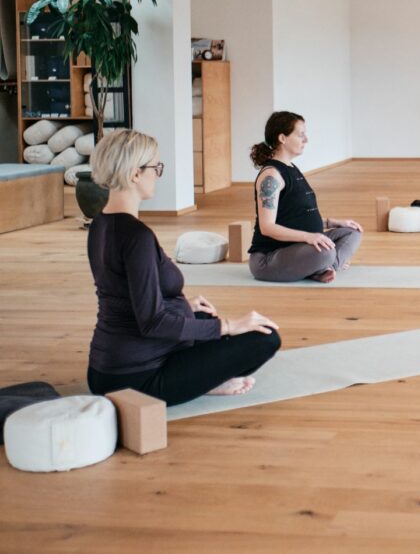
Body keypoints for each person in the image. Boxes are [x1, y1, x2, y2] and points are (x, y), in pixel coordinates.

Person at [85, 130, 281, 406]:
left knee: (201, 319)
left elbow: (121, 295)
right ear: (134, 174)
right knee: (266, 339)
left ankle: (202, 375)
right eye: (155, 167)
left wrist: (184, 306)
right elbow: (153, 322)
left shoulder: (100, 224)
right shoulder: (136, 237)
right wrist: (230, 325)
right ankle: (206, 383)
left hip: (104, 371)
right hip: (136, 380)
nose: (158, 174)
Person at [248, 111, 363, 283]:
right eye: (301, 135)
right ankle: (325, 264)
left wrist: (332, 222)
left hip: (297, 248)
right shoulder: (271, 176)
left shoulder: (291, 168)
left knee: (352, 232)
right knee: (326, 252)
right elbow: (267, 227)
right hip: (268, 259)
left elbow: (296, 219)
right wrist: (309, 237)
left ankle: (323, 267)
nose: (306, 139)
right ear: (282, 138)